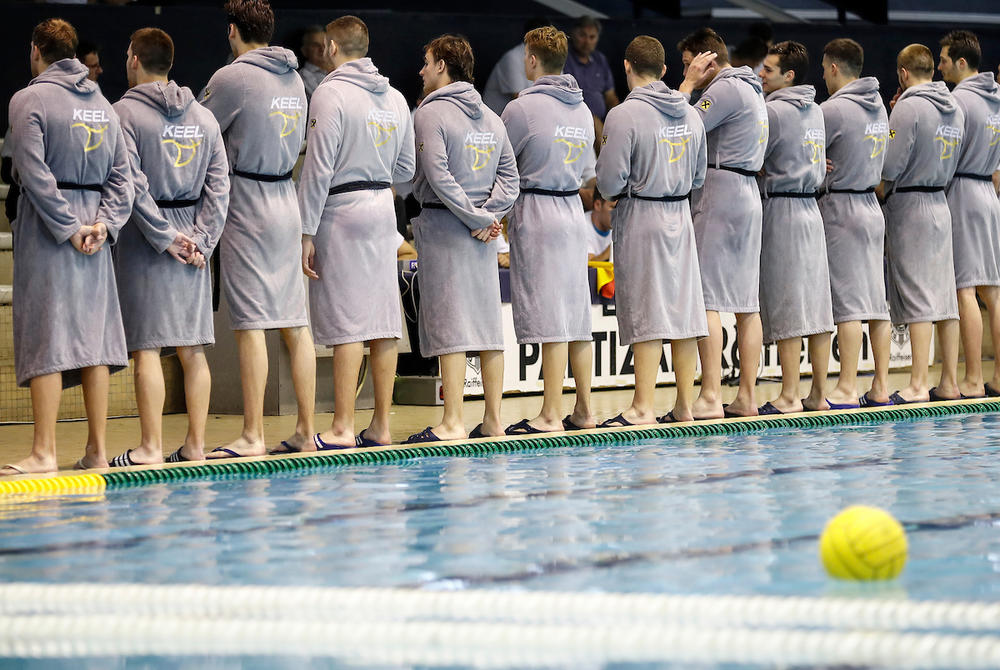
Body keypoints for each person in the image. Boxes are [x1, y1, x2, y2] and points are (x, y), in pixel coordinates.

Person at [1, 19, 133, 476]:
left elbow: (33, 175)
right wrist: (104, 225)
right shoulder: (103, 103)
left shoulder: (28, 98)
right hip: (95, 227)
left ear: (36, 50)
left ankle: (43, 451)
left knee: (47, 336)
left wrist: (68, 227)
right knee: (94, 340)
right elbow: (123, 177)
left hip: (50, 231)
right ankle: (97, 450)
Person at [108, 27, 230, 467]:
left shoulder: (124, 114)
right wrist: (201, 240)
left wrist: (165, 239)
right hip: (194, 242)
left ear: (134, 59)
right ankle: (195, 446)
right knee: (192, 349)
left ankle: (149, 448)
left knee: (147, 349)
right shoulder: (204, 117)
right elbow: (220, 187)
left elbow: (132, 187)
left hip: (149, 242)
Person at [200, 0, 316, 458]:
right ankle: (307, 431)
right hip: (287, 196)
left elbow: (197, 129)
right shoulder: (296, 77)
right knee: (294, 323)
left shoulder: (233, 77)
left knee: (250, 323)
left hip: (247, 200)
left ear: (233, 31)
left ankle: (252, 434)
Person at [297, 15, 414, 449]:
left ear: (330, 48)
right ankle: (381, 426)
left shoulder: (330, 93)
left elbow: (318, 167)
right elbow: (407, 170)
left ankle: (343, 426)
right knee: (382, 323)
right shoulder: (396, 97)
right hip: (384, 209)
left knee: (347, 322)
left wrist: (305, 231)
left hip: (342, 209)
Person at [405, 34, 519, 443]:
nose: (420, 70)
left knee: (450, 324)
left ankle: (452, 421)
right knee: (487, 325)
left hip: (446, 229)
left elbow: (437, 176)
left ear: (442, 66)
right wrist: (489, 217)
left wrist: (475, 217)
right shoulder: (492, 117)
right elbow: (510, 178)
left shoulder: (429, 115)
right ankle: (492, 421)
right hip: (483, 235)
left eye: (426, 61)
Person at [596, 35, 708, 426]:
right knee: (683, 312)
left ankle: (643, 405)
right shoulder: (692, 114)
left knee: (646, 310)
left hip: (642, 216)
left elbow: (609, 182)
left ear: (627, 67)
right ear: (664, 71)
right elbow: (698, 177)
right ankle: (685, 406)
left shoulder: (624, 115)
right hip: (680, 216)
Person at [500, 25, 596, 434]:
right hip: (572, 212)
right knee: (576, 315)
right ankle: (585, 410)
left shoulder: (521, 108)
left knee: (551, 315)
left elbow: (499, 165)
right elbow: (589, 174)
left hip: (537, 211)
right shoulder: (583, 108)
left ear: (533, 60)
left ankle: (550, 413)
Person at [677, 27, 767, 419]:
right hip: (747, 192)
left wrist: (687, 84)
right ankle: (747, 395)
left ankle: (711, 394)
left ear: (706, 59)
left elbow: (684, 127)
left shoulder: (725, 88)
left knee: (710, 298)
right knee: (747, 302)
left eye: (689, 62)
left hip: (723, 189)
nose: (689, 70)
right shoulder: (752, 88)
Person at [880, 44, 964, 403]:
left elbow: (890, 166)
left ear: (903, 73)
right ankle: (948, 381)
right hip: (940, 203)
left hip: (911, 204)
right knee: (944, 297)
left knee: (917, 296)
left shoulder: (909, 107)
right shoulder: (955, 108)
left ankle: (917, 383)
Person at [756, 41, 835, 414]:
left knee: (788, 302)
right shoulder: (816, 110)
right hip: (812, 211)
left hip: (784, 210)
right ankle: (819, 393)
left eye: (769, 70)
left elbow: (753, 157)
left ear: (788, 76)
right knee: (817, 306)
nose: (761, 74)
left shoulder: (771, 112)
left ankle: (789, 394)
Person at [818, 38, 892, 408]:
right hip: (872, 206)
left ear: (833, 67)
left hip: (842, 207)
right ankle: (880, 386)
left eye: (824, 68)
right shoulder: (879, 106)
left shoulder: (833, 110)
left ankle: (847, 386)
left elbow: (807, 154)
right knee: (876, 303)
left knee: (848, 303)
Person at [937, 30, 1000, 398]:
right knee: (993, 290)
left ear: (962, 62)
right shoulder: (997, 98)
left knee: (965, 289)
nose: (940, 66)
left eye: (944, 60)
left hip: (962, 191)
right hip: (990, 195)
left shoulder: (958, 101)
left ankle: (973, 378)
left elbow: (944, 154)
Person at [562, 16, 618, 136]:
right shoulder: (563, 58)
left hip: (602, 123)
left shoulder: (600, 59)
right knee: (595, 124)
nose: (587, 41)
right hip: (573, 122)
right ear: (573, 34)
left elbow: (610, 96)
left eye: (592, 37)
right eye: (582, 35)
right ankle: (605, 151)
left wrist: (617, 117)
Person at [482, 17, 547, 116]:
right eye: (548, 37)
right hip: (496, 125)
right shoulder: (513, 58)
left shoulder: (550, 57)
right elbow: (520, 103)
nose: (553, 42)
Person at [299, 25, 333, 100]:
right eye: (315, 45)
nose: (322, 49)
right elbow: (325, 101)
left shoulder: (340, 69)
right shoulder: (302, 78)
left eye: (325, 44)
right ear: (304, 51)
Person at [585, 190, 614, 261]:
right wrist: (612, 249)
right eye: (613, 207)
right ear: (598, 205)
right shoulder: (581, 226)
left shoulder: (618, 226)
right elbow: (588, 267)